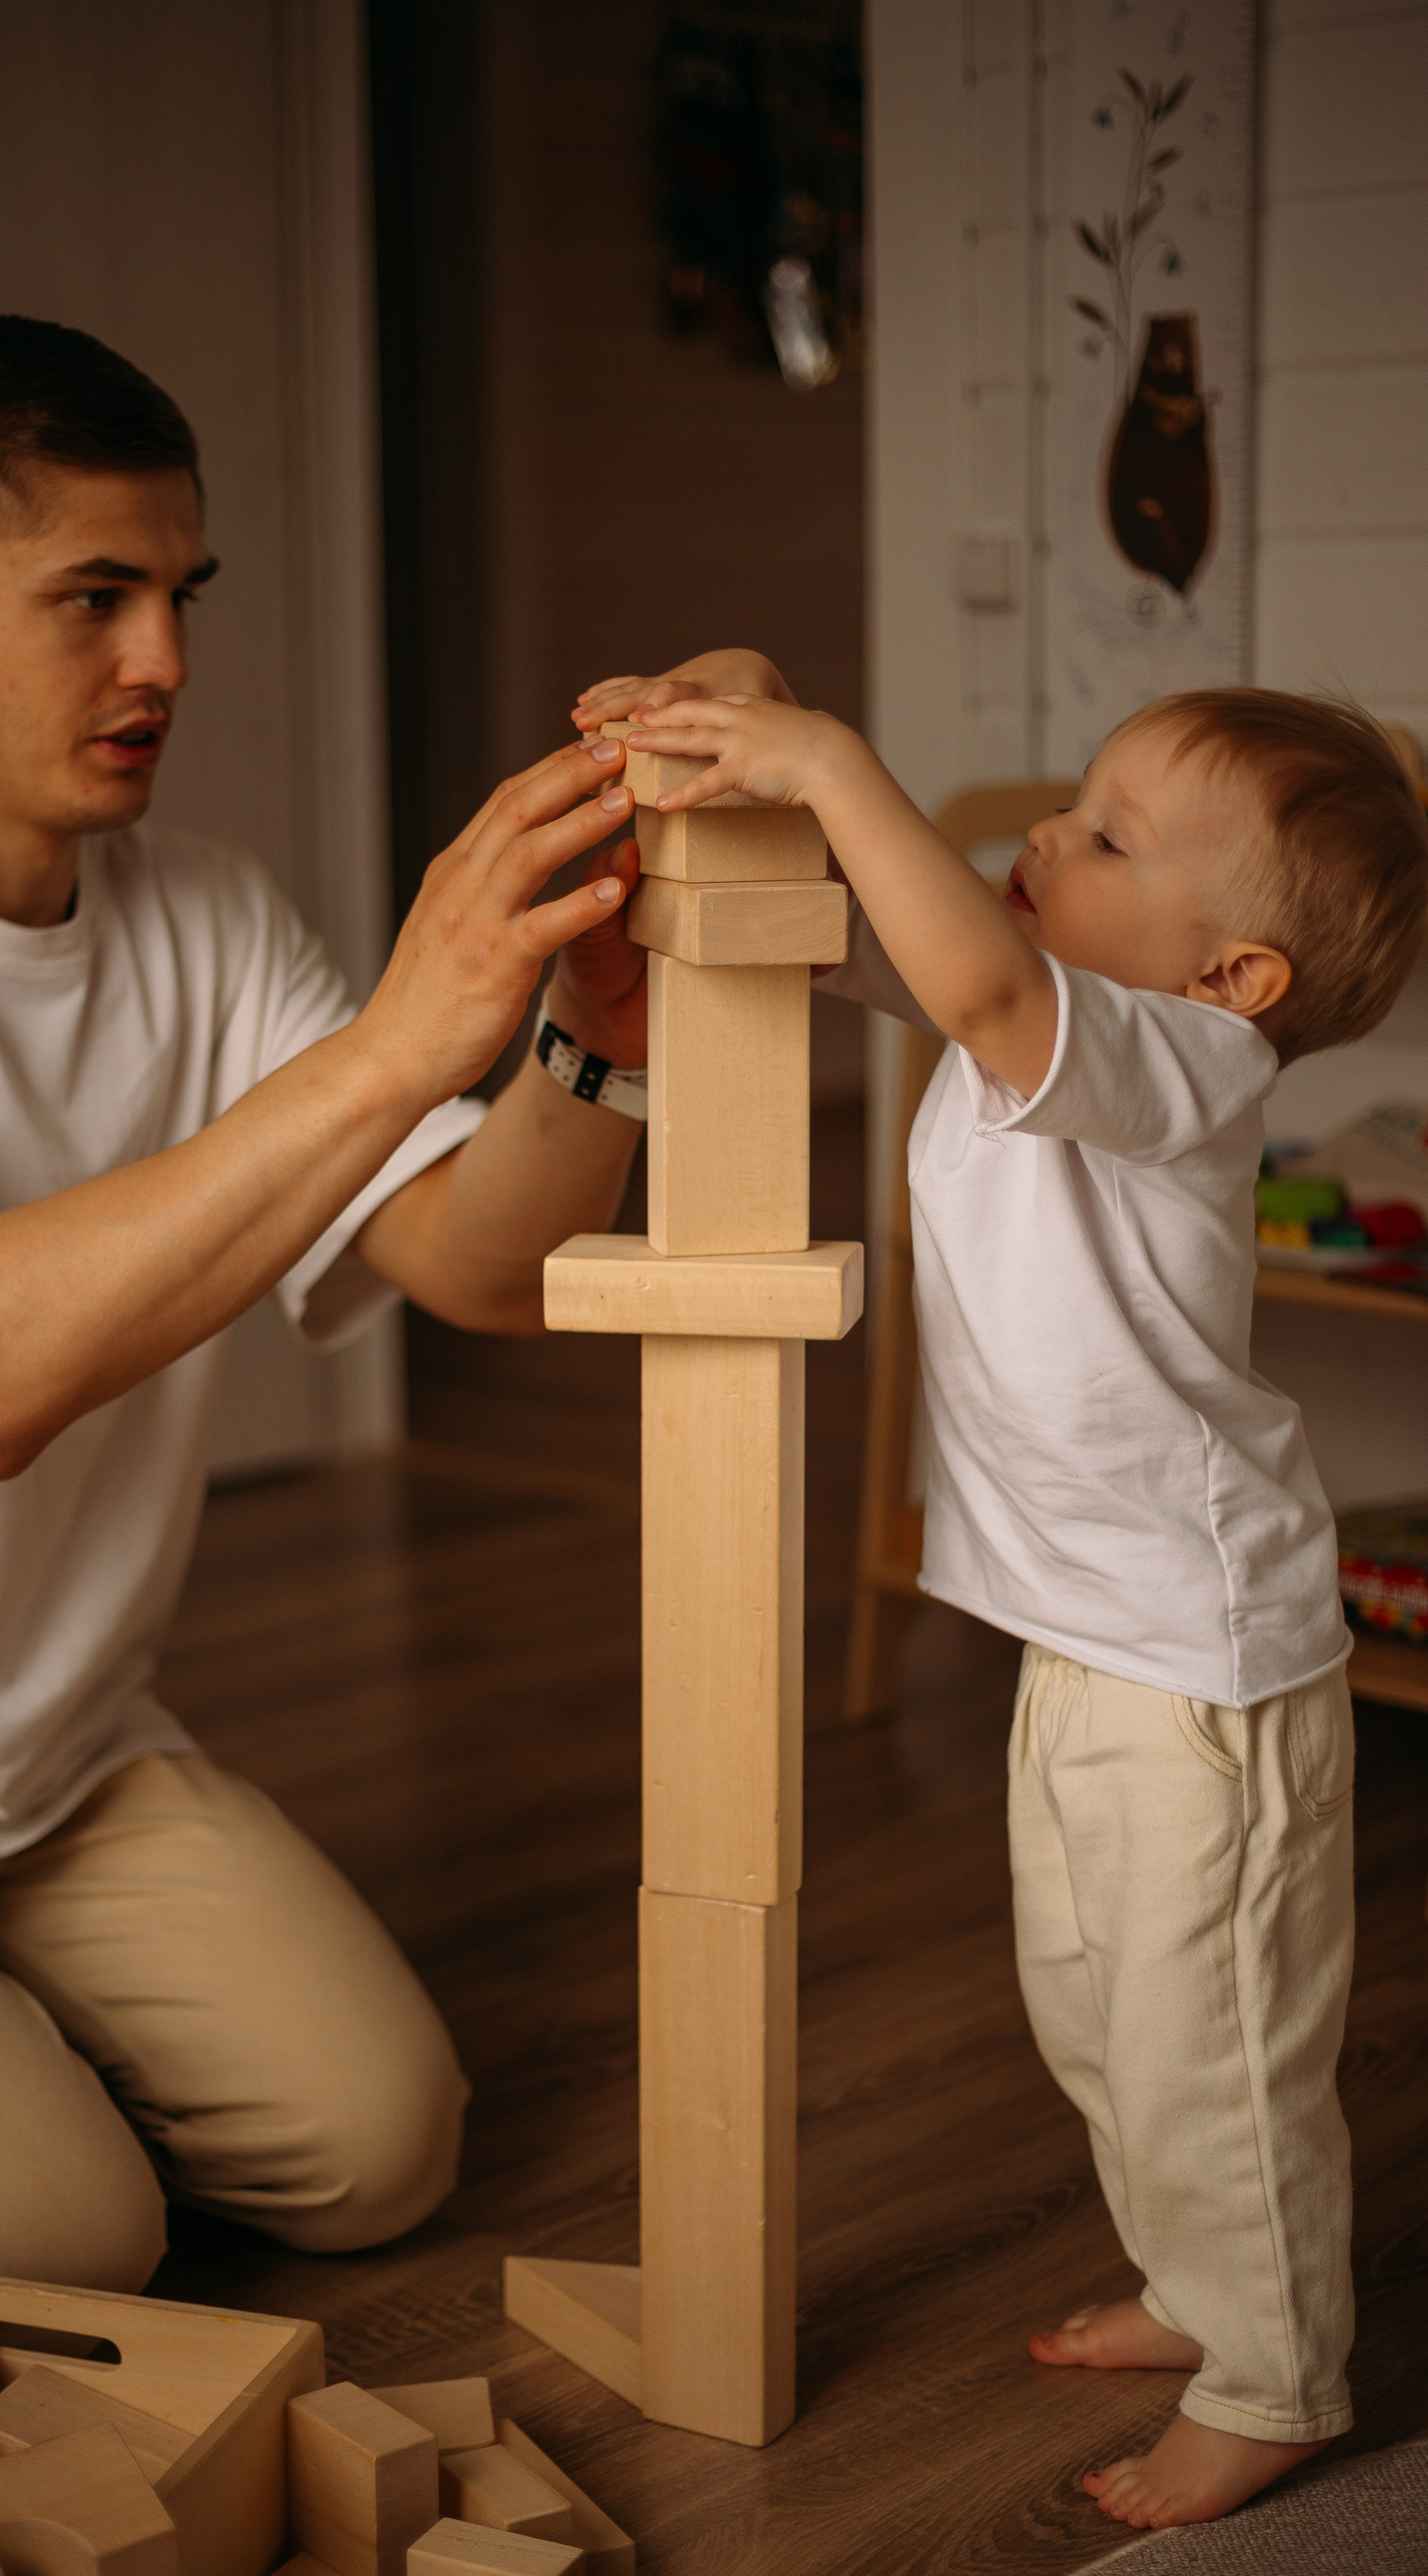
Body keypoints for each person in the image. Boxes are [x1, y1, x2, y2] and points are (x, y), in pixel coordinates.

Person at [0, 315, 653, 2292]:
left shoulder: (204, 913)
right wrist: (390, 1048)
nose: (167, 666)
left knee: (381, 2150)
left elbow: (482, 1268)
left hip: (61, 1746)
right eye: (94, 599)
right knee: (54, 2239)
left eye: (180, 595)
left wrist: (585, 1040)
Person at [575, 657, 1428, 2531]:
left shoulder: (1175, 1062)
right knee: (1095, 2008)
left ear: (1237, 978)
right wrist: (745, 740)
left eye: (1109, 834)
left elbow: (969, 973)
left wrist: (830, 756)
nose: (1047, 832)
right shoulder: (1037, 1025)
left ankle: (1277, 2371)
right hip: (1088, 1646)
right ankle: (1199, 2282)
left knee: (1205, 2036)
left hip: (1199, 1673)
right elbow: (891, 943)